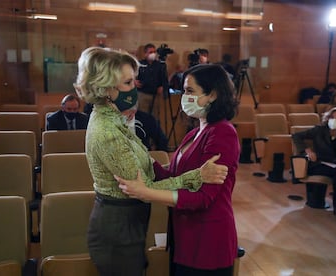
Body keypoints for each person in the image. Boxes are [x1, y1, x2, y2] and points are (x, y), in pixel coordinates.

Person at [73, 47, 228, 276]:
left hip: (129, 222)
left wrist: (169, 170)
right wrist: (197, 176)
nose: (134, 87)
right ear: (106, 88)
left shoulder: (114, 117)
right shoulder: (108, 131)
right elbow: (144, 188)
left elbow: (145, 168)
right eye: (127, 82)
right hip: (118, 227)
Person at [117, 64, 240, 276]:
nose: (185, 97)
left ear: (212, 95)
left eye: (190, 91)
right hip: (184, 235)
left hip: (207, 240)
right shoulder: (195, 132)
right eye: (184, 91)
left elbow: (202, 197)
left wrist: (145, 192)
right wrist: (140, 156)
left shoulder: (222, 134)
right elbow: (175, 178)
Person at [292, 107, 336, 219]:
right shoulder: (319, 130)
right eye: (332, 117)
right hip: (319, 163)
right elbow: (296, 136)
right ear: (328, 118)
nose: (334, 120)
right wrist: (307, 150)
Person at [135, 43, 167, 121]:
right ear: (145, 54)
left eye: (154, 52)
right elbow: (132, 75)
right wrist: (134, 81)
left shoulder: (159, 65)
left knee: (154, 117)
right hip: (143, 94)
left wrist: (162, 87)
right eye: (150, 52)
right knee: (142, 116)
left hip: (155, 95)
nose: (153, 54)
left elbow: (164, 79)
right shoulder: (139, 64)